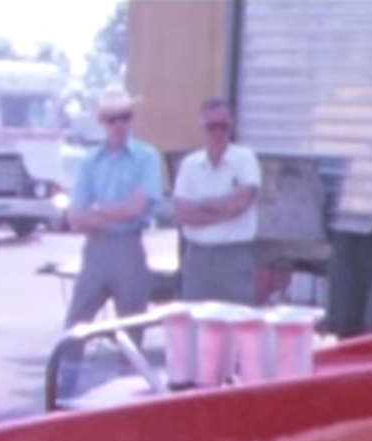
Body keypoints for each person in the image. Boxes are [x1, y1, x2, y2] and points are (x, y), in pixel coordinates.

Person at [63, 85, 164, 330]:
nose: (119, 124)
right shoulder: (89, 161)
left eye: (125, 117)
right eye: (112, 119)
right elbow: (75, 216)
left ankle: (130, 368)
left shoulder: (147, 157)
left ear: (132, 119)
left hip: (129, 247)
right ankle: (68, 369)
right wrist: (116, 215)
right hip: (96, 250)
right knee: (76, 325)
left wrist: (97, 212)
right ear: (102, 122)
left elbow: (137, 208)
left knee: (132, 326)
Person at [171, 97, 262, 304]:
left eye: (224, 126)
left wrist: (200, 205)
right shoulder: (189, 165)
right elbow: (181, 214)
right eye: (212, 126)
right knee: (196, 325)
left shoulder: (245, 158)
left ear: (231, 126)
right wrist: (225, 209)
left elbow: (242, 202)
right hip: (198, 258)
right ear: (202, 127)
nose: (218, 132)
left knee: (237, 325)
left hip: (234, 256)